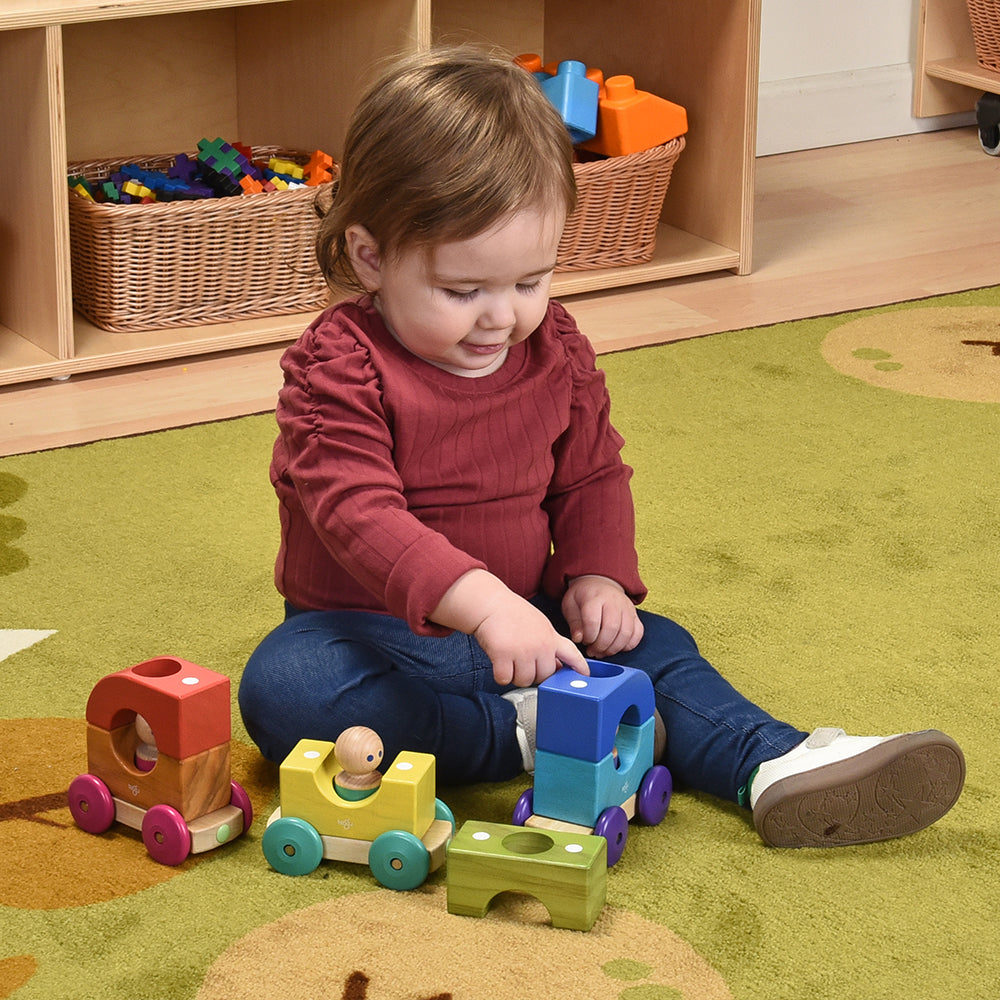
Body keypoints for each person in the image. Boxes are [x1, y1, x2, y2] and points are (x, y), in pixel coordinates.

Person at [238, 45, 965, 848]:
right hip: (380, 639)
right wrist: (484, 606)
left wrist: (596, 575)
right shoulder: (336, 368)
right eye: (462, 290)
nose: (501, 318)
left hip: (535, 631)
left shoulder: (557, 348)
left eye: (530, 281)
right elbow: (357, 513)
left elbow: (590, 475)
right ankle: (524, 737)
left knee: (660, 646)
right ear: (371, 258)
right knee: (289, 687)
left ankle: (770, 761)